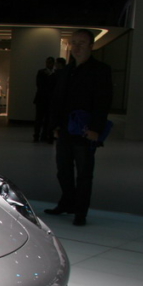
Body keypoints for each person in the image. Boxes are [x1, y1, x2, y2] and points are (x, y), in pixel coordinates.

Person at [44, 29, 113, 227]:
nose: (77, 47)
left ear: (91, 46)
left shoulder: (100, 70)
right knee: (63, 170)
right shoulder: (66, 71)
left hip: (85, 130)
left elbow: (103, 101)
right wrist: (55, 125)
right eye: (74, 43)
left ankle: (80, 211)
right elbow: (57, 99)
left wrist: (95, 129)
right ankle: (67, 202)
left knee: (84, 173)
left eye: (81, 43)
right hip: (66, 129)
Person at [33, 56, 56, 142]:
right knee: (39, 118)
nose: (48, 64)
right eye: (47, 62)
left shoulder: (53, 73)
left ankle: (44, 135)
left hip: (46, 99)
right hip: (43, 99)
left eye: (50, 62)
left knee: (47, 119)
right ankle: (37, 135)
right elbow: (39, 84)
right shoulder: (42, 72)